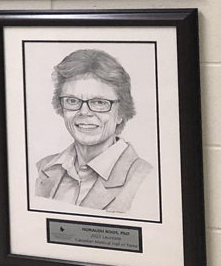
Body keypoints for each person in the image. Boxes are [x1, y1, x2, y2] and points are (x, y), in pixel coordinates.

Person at [34, 49, 153, 213]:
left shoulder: (145, 177)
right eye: (72, 100)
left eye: (99, 102)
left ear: (121, 113)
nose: (84, 112)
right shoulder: (42, 168)